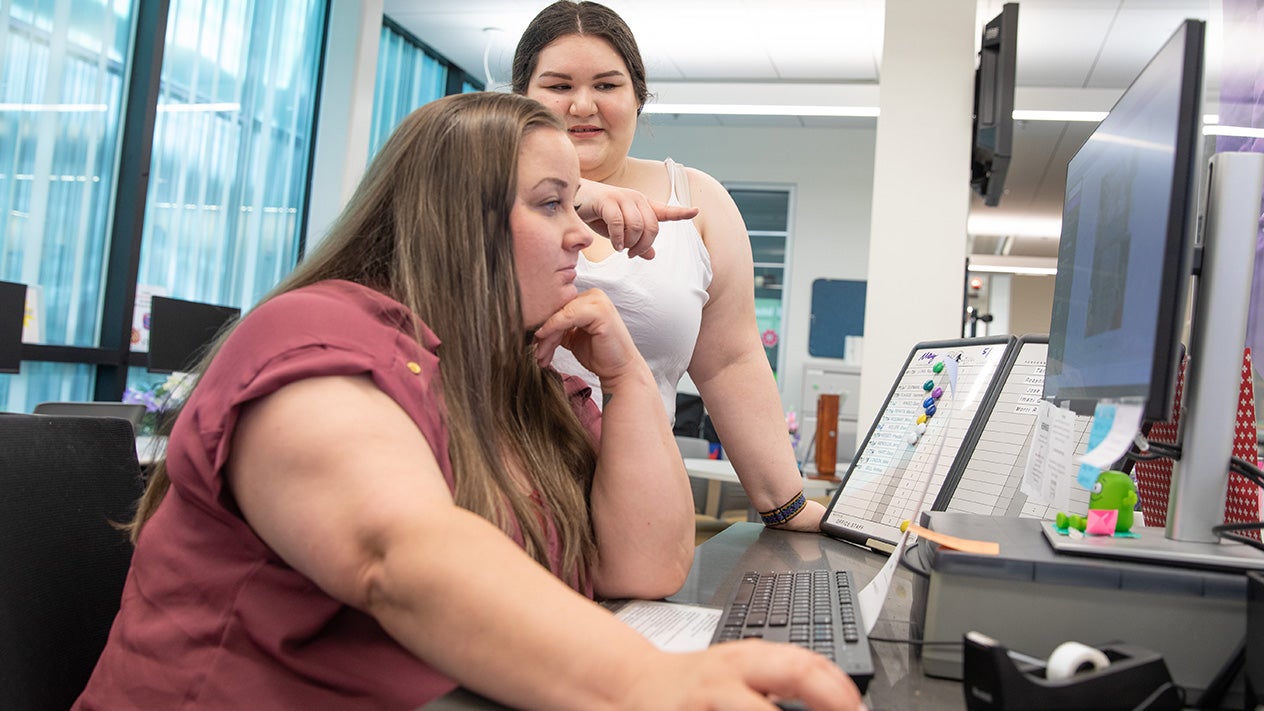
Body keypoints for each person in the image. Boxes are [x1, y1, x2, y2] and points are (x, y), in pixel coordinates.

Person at [73, 93, 863, 710]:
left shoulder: (524, 377)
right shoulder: (317, 335)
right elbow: (398, 551)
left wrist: (624, 382)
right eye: (553, 203)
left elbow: (645, 564)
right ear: (460, 221)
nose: (582, 237)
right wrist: (644, 685)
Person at [513, 0, 827, 532]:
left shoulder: (697, 199)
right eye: (559, 86)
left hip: (637, 510)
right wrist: (573, 191)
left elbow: (731, 363)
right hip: (505, 497)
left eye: (608, 86)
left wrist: (788, 505)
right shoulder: (476, 190)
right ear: (521, 99)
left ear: (639, 98)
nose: (583, 105)